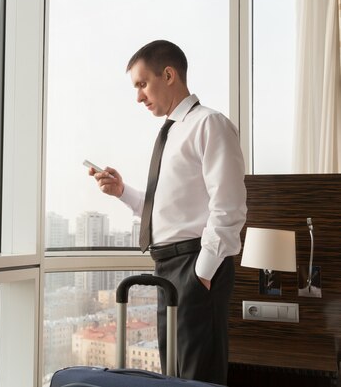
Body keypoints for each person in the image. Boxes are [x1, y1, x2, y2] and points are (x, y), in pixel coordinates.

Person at [89, 40, 247, 385]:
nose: (139, 97)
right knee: (173, 377)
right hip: (167, 269)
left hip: (194, 267)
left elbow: (229, 208)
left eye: (142, 84)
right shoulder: (173, 132)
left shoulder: (209, 124)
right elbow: (167, 209)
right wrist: (122, 192)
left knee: (195, 378)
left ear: (169, 74)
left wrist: (201, 275)